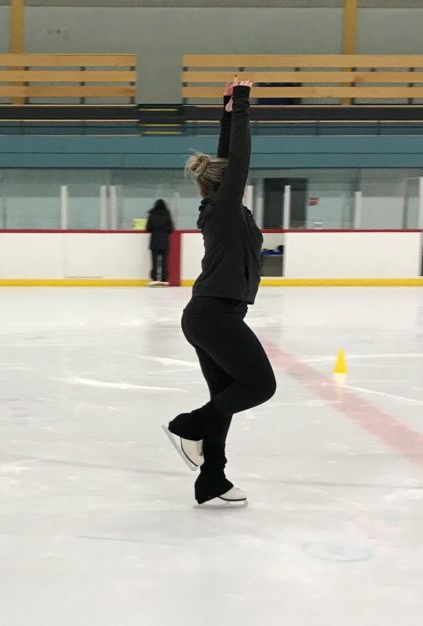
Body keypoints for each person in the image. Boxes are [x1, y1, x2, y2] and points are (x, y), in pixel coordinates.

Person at [161, 78, 276, 509]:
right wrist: (243, 104)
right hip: (214, 316)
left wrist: (226, 109)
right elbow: (239, 160)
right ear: (229, 184)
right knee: (260, 385)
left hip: (213, 314)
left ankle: (212, 478)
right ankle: (187, 426)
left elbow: (229, 159)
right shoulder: (224, 209)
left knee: (225, 398)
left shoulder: (225, 209)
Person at [146, 199, 174, 286]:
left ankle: (154, 278)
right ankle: (164, 278)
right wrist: (165, 231)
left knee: (154, 261)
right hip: (164, 240)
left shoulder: (152, 214)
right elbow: (171, 229)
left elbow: (148, 228)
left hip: (154, 240)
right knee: (164, 261)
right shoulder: (167, 214)